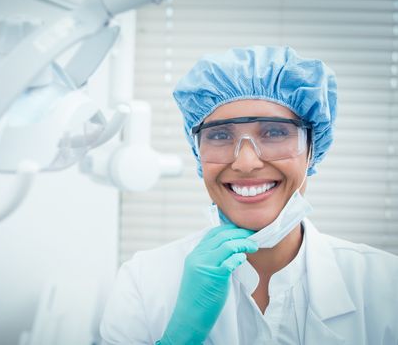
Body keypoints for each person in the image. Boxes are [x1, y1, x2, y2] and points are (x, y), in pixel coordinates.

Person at [99, 46, 398, 344]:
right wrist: (180, 337)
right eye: (219, 135)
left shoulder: (385, 284)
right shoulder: (142, 281)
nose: (245, 163)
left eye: (275, 132)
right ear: (197, 154)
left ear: (311, 150)